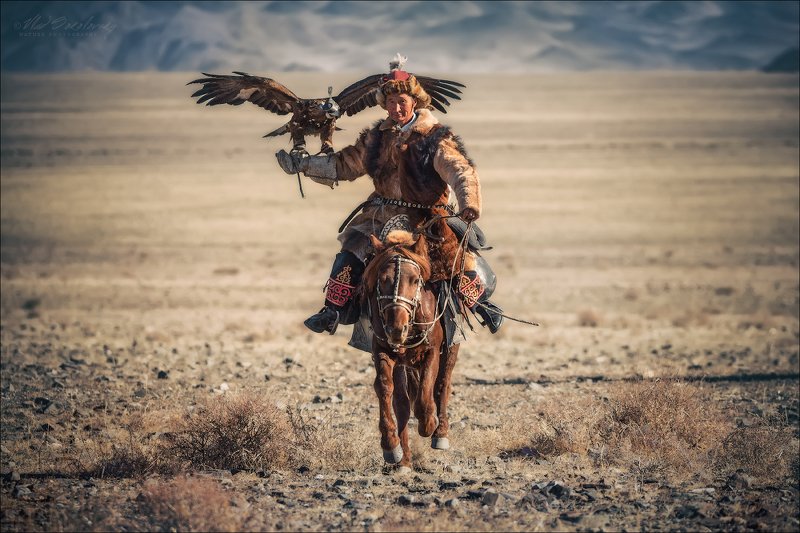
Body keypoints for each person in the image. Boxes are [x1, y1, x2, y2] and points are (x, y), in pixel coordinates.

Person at [275, 68, 503, 336]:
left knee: (454, 257)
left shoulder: (435, 137)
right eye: (390, 103)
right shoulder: (376, 138)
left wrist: (469, 204)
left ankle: (481, 305)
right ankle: (332, 310)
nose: (396, 108)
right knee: (352, 252)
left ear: (414, 102)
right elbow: (345, 164)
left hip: (428, 215)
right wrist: (304, 164)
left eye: (402, 102)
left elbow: (459, 170)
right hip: (381, 214)